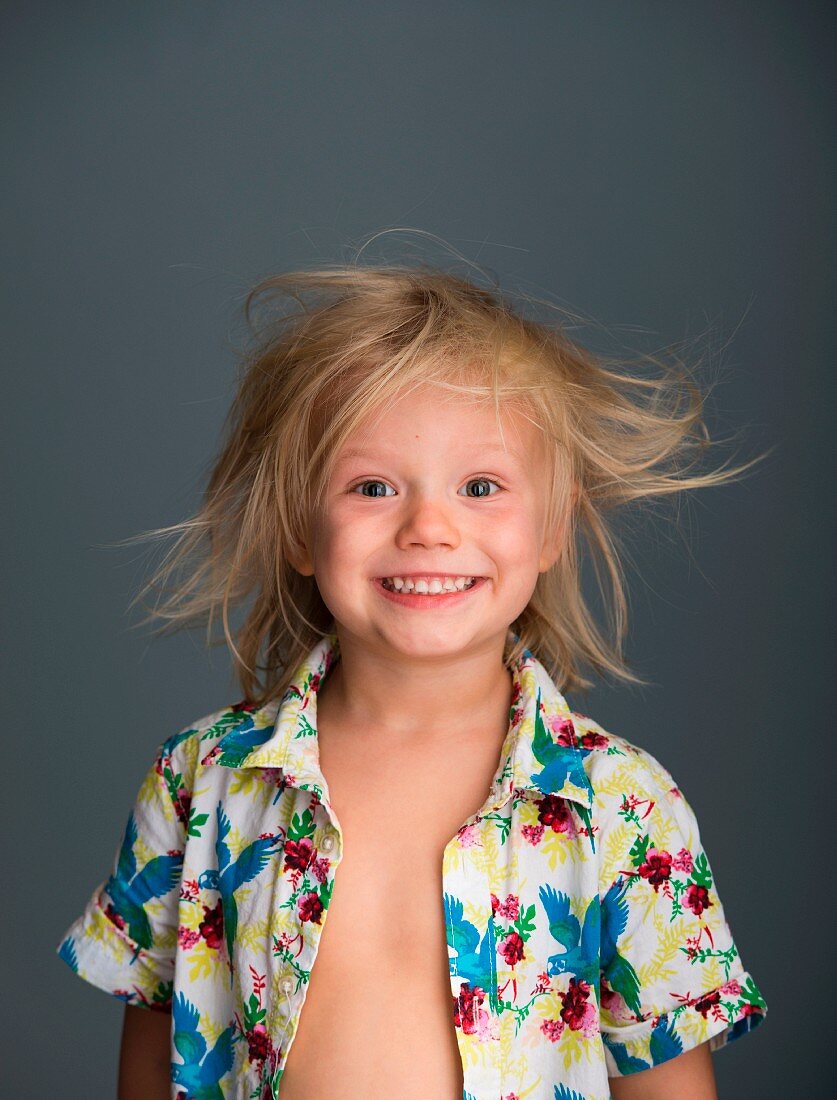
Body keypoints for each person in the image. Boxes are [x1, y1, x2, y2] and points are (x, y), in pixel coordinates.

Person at [56, 261, 768, 1099]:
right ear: (297, 525)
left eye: (480, 486)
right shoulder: (200, 781)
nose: (428, 527)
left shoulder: (624, 808)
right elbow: (156, 1045)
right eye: (372, 486)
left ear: (550, 527)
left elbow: (669, 1085)